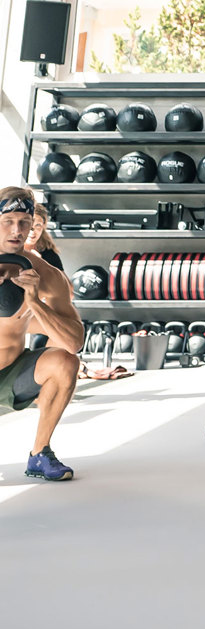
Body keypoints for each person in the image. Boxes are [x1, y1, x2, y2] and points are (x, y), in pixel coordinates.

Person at [0, 187, 84, 481]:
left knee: (65, 362)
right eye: (8, 221)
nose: (17, 230)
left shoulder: (45, 274)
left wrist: (35, 302)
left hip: (10, 374)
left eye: (24, 222)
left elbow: (74, 342)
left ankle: (40, 453)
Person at [25, 204, 63, 350]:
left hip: (38, 312)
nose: (33, 231)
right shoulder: (7, 251)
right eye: (29, 225)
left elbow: (68, 291)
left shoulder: (48, 255)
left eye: (38, 226)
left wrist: (42, 266)